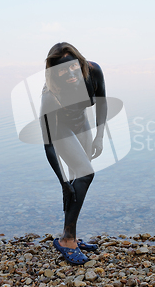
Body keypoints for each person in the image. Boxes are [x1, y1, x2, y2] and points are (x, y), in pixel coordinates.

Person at [39, 42, 107, 264]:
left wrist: (99, 136)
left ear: (80, 62)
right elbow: (48, 144)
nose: (69, 73)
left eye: (72, 67)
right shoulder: (50, 96)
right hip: (60, 129)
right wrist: (62, 183)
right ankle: (67, 240)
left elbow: (102, 103)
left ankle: (72, 236)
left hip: (82, 123)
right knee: (85, 174)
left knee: (78, 180)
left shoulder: (93, 71)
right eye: (61, 70)